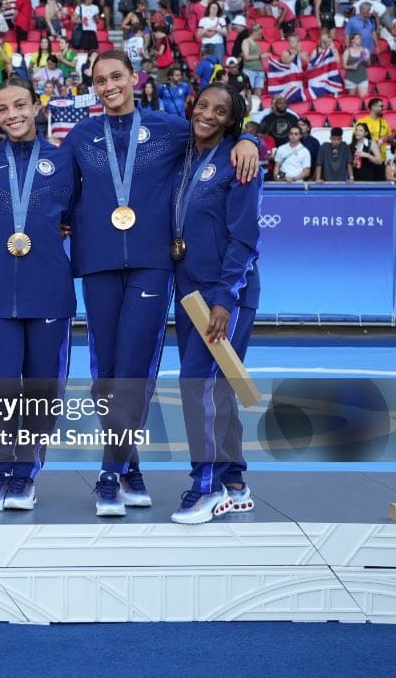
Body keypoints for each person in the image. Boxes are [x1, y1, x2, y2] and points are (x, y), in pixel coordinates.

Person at [55, 50, 258, 517]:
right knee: (106, 373)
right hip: (100, 264)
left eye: (116, 76)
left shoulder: (171, 128)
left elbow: (220, 134)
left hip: (153, 266)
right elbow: (56, 188)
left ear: (134, 78)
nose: (109, 86)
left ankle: (110, 471)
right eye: (99, 79)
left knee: (136, 370)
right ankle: (129, 467)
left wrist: (249, 138)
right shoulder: (82, 136)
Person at [0, 77, 77, 511]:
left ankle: (26, 474)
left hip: (49, 287)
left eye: (21, 105)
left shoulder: (64, 159)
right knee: (3, 383)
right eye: (4, 109)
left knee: (41, 387)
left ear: (37, 106)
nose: (13, 114)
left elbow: (75, 213)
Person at [170, 83, 262, 524]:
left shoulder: (239, 161)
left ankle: (205, 486)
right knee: (215, 387)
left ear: (231, 120)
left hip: (226, 295)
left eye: (220, 111)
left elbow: (244, 236)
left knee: (198, 384)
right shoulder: (182, 152)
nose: (208, 114)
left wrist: (225, 298)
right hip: (189, 291)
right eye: (203, 105)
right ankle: (235, 483)